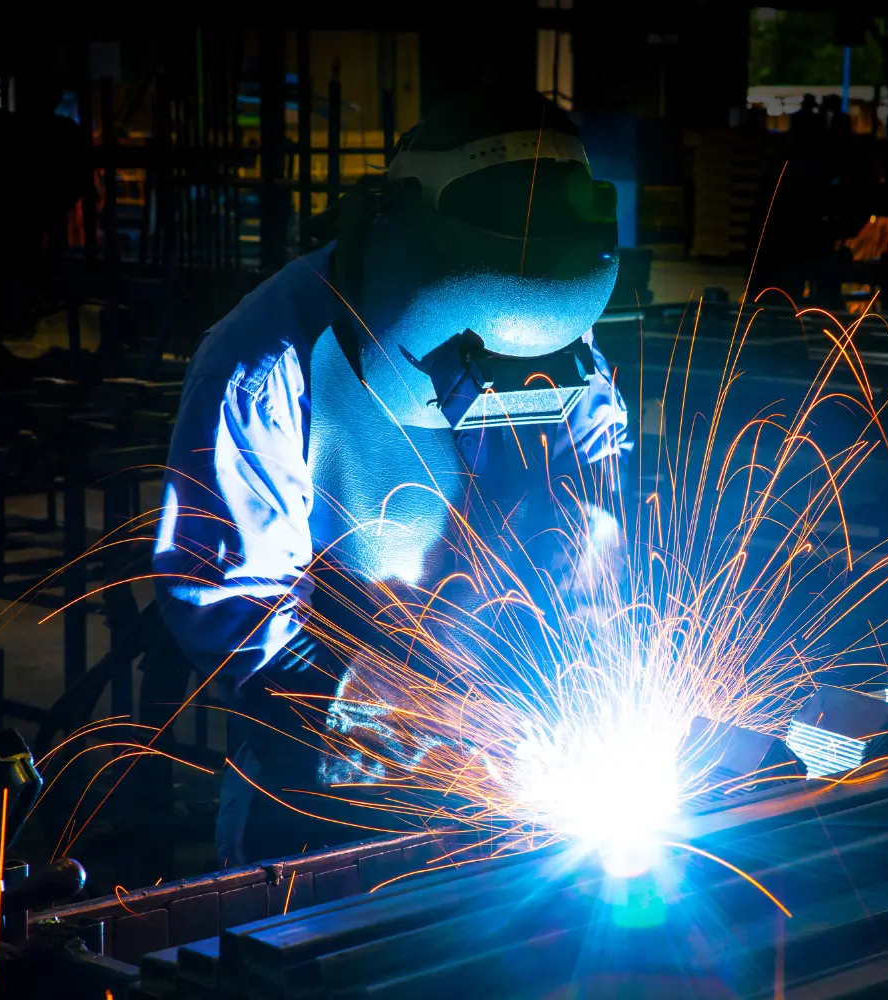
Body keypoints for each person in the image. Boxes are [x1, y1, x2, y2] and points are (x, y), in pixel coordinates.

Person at [152, 86, 631, 865]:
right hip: (322, 794)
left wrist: (590, 651)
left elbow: (593, 526)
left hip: (524, 787)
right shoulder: (263, 363)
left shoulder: (570, 351)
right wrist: (405, 710)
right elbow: (229, 605)